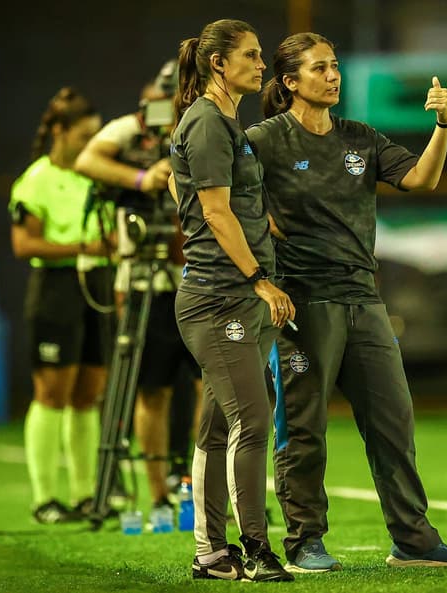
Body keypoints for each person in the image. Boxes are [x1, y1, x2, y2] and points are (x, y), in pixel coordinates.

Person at [245, 32, 447, 572]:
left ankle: (413, 541)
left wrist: (443, 125)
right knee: (303, 428)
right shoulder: (264, 139)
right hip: (301, 302)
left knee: (393, 422)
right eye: (319, 68)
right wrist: (260, 225)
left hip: (364, 300)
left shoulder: (360, 138)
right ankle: (304, 541)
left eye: (334, 66)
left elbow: (420, 178)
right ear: (290, 81)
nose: (333, 76)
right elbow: (203, 188)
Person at [168, 18, 295, 583]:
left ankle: (211, 554)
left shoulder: (223, 122)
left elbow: (188, 189)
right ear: (218, 63)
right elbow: (215, 212)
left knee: (219, 427)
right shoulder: (205, 122)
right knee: (253, 418)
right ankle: (257, 550)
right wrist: (259, 278)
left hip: (235, 294)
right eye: (251, 55)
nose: (262, 65)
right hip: (219, 297)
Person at [74, 65, 203, 518]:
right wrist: (141, 179)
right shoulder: (132, 129)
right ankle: (157, 493)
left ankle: (205, 485)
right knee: (152, 389)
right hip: (145, 277)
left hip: (198, 274)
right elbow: (87, 161)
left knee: (212, 386)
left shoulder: (203, 125)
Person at [9, 87, 112, 524]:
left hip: (99, 285)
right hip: (56, 289)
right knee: (52, 392)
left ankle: (86, 495)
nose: (90, 144)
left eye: (95, 136)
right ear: (60, 131)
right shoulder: (36, 180)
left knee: (88, 394)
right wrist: (83, 247)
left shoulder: (98, 175)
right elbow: (23, 244)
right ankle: (45, 499)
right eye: (83, 136)